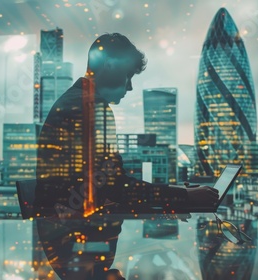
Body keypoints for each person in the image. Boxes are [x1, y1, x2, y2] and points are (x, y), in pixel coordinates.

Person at [34, 33, 219, 280]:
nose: (130, 87)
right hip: (81, 252)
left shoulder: (79, 102)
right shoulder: (90, 107)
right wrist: (183, 196)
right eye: (128, 76)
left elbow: (109, 182)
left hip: (75, 252)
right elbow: (116, 186)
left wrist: (178, 193)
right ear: (110, 65)